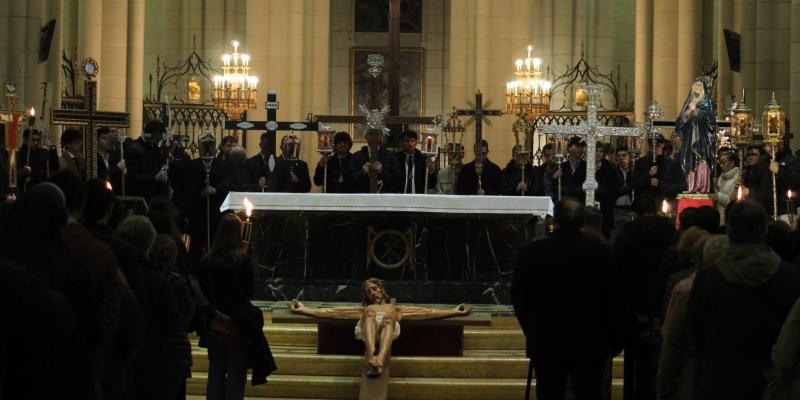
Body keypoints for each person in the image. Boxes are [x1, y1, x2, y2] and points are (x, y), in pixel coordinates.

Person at [686, 200, 800, 399]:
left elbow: (694, 331)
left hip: (719, 381)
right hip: (768, 383)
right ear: (764, 230)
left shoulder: (709, 277)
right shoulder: (789, 277)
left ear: (728, 230)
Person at [512, 199, 620, 399]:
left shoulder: (532, 253)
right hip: (589, 339)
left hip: (547, 337)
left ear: (556, 220)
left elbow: (519, 296)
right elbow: (613, 297)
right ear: (582, 221)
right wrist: (611, 337)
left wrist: (532, 328)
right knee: (588, 392)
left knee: (549, 392)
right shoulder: (601, 253)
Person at [289, 277, 472, 377]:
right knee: (368, 314)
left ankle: (379, 359)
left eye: (374, 288)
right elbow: (331, 312)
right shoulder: (364, 308)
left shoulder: (396, 309)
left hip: (389, 330)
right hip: (367, 330)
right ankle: (371, 354)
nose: (372, 292)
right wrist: (305, 310)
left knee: (388, 319)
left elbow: (427, 313)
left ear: (382, 289)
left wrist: (454, 312)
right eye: (369, 291)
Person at [197, 213, 276, 399]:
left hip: (214, 320)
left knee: (216, 368)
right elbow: (249, 291)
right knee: (235, 369)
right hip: (237, 321)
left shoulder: (207, 260)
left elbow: (202, 291)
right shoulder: (242, 259)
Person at [675, 77, 716, 193]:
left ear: (703, 89)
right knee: (687, 160)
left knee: (701, 158)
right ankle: (691, 185)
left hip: (702, 137)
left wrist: (698, 113)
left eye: (700, 86)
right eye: (695, 86)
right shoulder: (688, 103)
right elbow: (681, 120)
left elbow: (711, 121)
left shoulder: (707, 102)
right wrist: (689, 114)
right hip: (689, 137)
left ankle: (702, 185)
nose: (697, 88)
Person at [124, 120, 170, 201]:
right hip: (142, 197)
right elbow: (132, 178)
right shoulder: (134, 150)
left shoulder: (155, 148)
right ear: (153, 134)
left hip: (156, 196)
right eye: (159, 138)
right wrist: (154, 178)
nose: (160, 141)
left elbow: (160, 167)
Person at [348, 128, 401, 193]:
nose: (374, 137)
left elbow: (397, 180)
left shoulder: (391, 156)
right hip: (363, 197)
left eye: (377, 134)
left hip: (385, 197)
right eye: (370, 134)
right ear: (365, 136)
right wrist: (362, 172)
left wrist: (382, 171)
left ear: (381, 136)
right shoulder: (356, 156)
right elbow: (350, 180)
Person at [396, 130, 436, 194]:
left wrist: (431, 170)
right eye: (407, 141)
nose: (410, 144)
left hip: (418, 196)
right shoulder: (396, 158)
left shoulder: (423, 158)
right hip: (400, 195)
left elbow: (431, 185)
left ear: (416, 142)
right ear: (402, 143)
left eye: (412, 141)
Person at [710, 150, 739, 225]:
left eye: (723, 163)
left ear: (732, 163)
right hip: (719, 215)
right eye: (720, 163)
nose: (720, 165)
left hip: (729, 217)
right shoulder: (722, 175)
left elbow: (731, 201)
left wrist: (715, 194)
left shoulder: (737, 178)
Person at [554, 136, 587, 201]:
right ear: (569, 148)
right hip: (565, 204)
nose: (580, 149)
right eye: (578, 146)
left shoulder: (586, 166)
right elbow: (555, 188)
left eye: (582, 147)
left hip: (580, 203)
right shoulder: (562, 166)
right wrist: (554, 178)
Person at [96, 127, 126, 193]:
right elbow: (100, 176)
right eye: (104, 138)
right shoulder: (94, 158)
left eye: (109, 138)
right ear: (96, 141)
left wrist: (123, 171)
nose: (107, 141)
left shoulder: (111, 157)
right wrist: (117, 168)